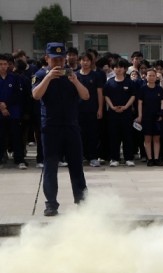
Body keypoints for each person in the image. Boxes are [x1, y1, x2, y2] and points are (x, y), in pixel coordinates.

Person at [31, 42, 90, 216]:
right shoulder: (41, 75)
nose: (59, 63)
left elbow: (86, 96)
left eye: (62, 59)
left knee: (76, 165)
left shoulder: (73, 75)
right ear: (47, 58)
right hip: (51, 127)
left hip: (71, 126)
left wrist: (75, 81)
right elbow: (36, 95)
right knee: (50, 167)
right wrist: (49, 77)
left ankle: (82, 201)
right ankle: (51, 204)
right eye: (55, 59)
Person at [103, 59, 137, 167]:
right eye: (116, 67)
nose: (118, 69)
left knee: (127, 136)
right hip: (113, 113)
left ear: (125, 69)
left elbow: (133, 96)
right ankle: (114, 158)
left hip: (126, 113)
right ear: (113, 69)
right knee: (114, 136)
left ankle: (129, 158)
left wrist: (126, 106)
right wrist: (112, 107)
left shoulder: (129, 82)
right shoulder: (109, 82)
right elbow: (106, 96)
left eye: (121, 67)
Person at [135, 68, 163, 166]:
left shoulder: (159, 89)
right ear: (146, 77)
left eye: (153, 75)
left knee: (156, 138)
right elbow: (140, 103)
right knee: (147, 138)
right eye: (149, 75)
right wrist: (140, 116)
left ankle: (156, 158)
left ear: (156, 77)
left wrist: (162, 113)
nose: (151, 77)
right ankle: (150, 158)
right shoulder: (143, 89)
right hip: (146, 116)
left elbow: (162, 102)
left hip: (157, 117)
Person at [0, 53, 26, 169]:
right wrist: (1, 106)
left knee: (16, 137)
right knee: (1, 137)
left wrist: (6, 105)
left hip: (13, 112)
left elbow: (17, 95)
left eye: (5, 64)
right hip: (0, 113)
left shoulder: (14, 78)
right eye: (0, 64)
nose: (3, 66)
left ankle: (19, 160)